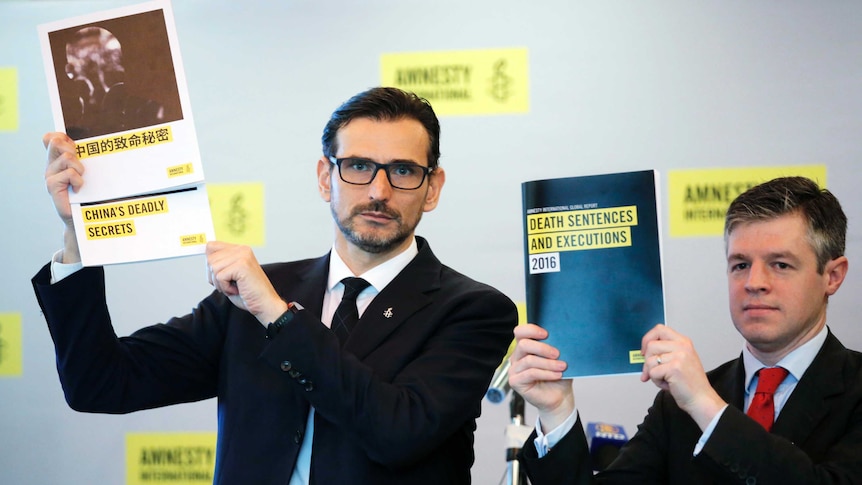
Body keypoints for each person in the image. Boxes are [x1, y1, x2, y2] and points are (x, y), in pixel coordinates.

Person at [33, 87, 517, 484]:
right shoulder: (259, 293)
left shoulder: (473, 310)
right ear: (326, 177)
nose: (378, 191)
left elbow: (398, 432)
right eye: (358, 166)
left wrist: (277, 315)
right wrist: (78, 237)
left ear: (432, 188)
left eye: (404, 171)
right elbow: (100, 383)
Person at [509, 176, 862, 483]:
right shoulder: (677, 406)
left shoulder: (696, 398)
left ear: (832, 276)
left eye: (780, 264)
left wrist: (705, 405)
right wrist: (556, 412)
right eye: (740, 265)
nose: (754, 282)